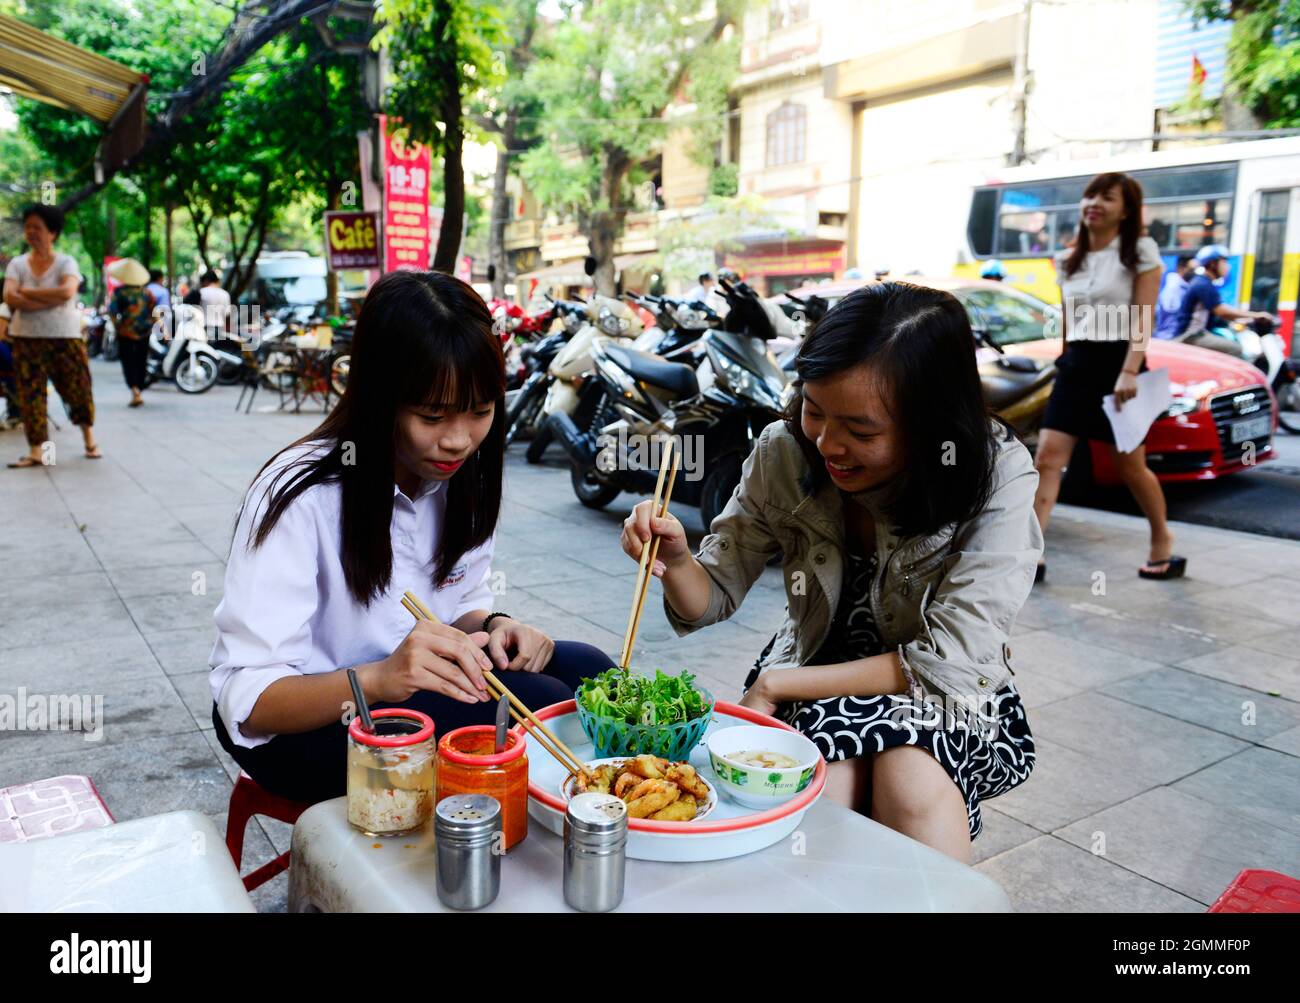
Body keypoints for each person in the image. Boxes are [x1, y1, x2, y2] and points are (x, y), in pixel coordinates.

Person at [620, 282, 1041, 862]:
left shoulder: (994, 473)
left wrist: (777, 684)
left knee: (909, 779)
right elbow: (711, 594)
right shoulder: (784, 452)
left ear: (932, 424)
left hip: (939, 690)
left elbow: (952, 661)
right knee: (829, 781)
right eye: (815, 411)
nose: (827, 445)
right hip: (817, 663)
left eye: (862, 431)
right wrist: (676, 561)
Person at [209, 270, 615, 804]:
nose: (458, 439)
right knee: (537, 708)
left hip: (407, 686)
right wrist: (380, 678)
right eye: (431, 415)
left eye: (480, 412)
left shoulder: (462, 475)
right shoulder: (300, 495)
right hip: (301, 727)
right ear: (381, 400)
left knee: (592, 677)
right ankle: (526, 842)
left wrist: (496, 626)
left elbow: (461, 604)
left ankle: (612, 808)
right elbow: (251, 700)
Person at [1033, 171, 1181, 580]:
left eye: (1107, 198)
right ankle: (1033, 551)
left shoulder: (1140, 253)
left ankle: (1161, 539)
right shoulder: (1068, 259)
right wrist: (1063, 360)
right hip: (1077, 363)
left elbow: (1142, 318)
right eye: (1090, 196)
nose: (1094, 203)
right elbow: (1068, 319)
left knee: (1130, 466)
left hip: (1119, 365)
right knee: (1047, 458)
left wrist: (1129, 370)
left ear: (1126, 210)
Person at [2, 204, 101, 467]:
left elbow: (67, 292)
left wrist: (28, 294)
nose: (31, 232)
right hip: (25, 338)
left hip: (64, 337)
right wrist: (48, 298)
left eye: (38, 227)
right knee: (30, 394)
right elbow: (9, 297)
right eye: (28, 227)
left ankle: (89, 440)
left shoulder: (66, 262)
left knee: (77, 389)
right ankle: (38, 451)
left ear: (53, 233)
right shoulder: (18, 264)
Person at [1169, 245, 1272, 357]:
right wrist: (1256, 315)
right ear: (1213, 264)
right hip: (1190, 336)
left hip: (1199, 333)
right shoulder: (1202, 284)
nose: (1227, 267)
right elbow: (1222, 311)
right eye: (1224, 262)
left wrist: (1245, 320)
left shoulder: (1205, 282)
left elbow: (1221, 313)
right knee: (1235, 349)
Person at [106, 258, 156, 407]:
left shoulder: (119, 292)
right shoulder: (147, 293)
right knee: (141, 361)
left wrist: (117, 327)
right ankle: (138, 389)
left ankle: (134, 390)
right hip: (144, 331)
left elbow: (113, 312)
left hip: (125, 332)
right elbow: (154, 312)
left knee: (128, 361)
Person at [1153, 254, 1195, 340]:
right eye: (1191, 270)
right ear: (1180, 268)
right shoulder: (1173, 288)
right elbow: (1171, 315)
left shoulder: (1186, 286)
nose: (1193, 273)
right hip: (1169, 337)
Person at [198, 269, 232, 341]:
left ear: (206, 281)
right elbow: (228, 316)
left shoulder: (201, 292)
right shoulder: (225, 294)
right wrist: (228, 332)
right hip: (220, 331)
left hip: (203, 329)